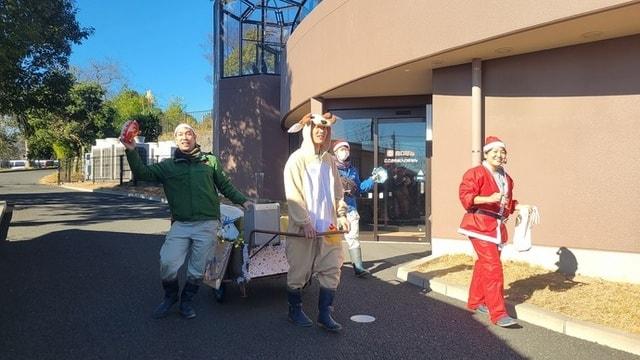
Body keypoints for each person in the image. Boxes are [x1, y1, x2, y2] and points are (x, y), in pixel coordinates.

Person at [121, 123, 252, 319]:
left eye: (188, 133)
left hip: (207, 224)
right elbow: (142, 173)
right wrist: (131, 151)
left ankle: (187, 301)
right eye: (180, 134)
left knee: (197, 269)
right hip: (181, 224)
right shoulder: (168, 166)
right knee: (167, 262)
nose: (184, 137)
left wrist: (243, 200)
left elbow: (225, 185)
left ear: (195, 137)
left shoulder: (210, 162)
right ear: (176, 140)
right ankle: (170, 296)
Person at [283, 113, 349, 332]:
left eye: (325, 129)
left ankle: (324, 313)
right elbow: (293, 193)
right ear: (308, 130)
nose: (321, 132)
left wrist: (341, 214)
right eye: (316, 128)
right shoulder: (297, 159)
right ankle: (294, 310)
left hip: (328, 226)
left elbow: (338, 191)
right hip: (304, 228)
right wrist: (303, 221)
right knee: (299, 270)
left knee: (332, 267)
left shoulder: (330, 160)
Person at [457, 136, 525, 328]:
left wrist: (521, 207)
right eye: (494, 151)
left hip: (496, 227)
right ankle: (499, 313)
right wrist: (488, 198)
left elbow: (507, 204)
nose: (499, 155)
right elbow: (465, 197)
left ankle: (476, 301)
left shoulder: (507, 178)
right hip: (479, 224)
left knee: (483, 265)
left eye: (502, 152)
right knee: (493, 267)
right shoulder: (475, 173)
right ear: (486, 154)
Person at [332, 139, 376, 277]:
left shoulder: (353, 170)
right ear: (335, 152)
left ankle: (358, 267)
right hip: (332, 210)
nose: (344, 152)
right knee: (331, 240)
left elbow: (360, 188)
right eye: (341, 149)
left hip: (350, 208)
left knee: (353, 237)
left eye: (346, 149)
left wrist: (372, 179)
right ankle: (330, 267)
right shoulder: (329, 167)